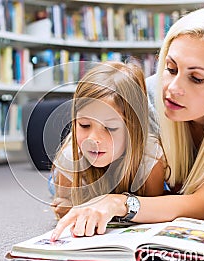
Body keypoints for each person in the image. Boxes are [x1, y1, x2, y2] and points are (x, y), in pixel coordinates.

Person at [50, 7, 204, 242]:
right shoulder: (152, 92)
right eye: (170, 68)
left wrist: (119, 202)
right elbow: (181, 195)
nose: (172, 89)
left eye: (196, 78)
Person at [51, 61, 166, 222]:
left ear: (133, 130)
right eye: (84, 125)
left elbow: (154, 208)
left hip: (130, 167)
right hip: (80, 171)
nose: (93, 139)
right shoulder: (70, 156)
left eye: (110, 128)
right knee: (55, 183)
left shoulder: (151, 158)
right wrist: (66, 206)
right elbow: (66, 208)